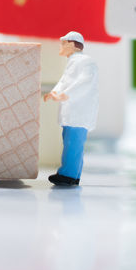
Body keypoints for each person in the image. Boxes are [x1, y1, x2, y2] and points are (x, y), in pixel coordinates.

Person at [42, 30, 99, 187]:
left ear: (72, 45)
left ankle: (67, 175)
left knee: (73, 143)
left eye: (63, 43)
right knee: (71, 142)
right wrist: (54, 93)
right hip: (72, 113)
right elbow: (64, 81)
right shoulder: (73, 62)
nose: (60, 46)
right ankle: (73, 176)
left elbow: (84, 82)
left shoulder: (86, 62)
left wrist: (65, 95)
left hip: (78, 113)